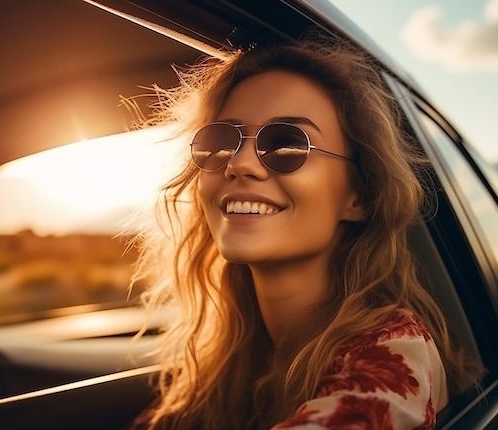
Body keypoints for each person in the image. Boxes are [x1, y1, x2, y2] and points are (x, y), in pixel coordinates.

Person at [127, 34, 479, 430]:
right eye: (221, 141)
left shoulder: (394, 350)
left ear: (357, 195)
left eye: (287, 145)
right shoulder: (226, 360)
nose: (239, 164)